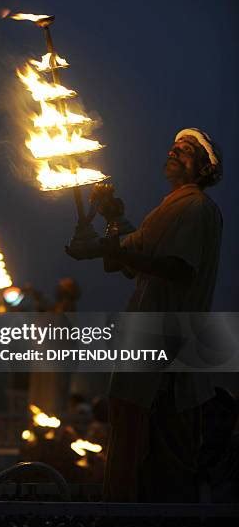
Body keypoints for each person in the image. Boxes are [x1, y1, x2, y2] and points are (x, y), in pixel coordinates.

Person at [66, 128, 223, 502]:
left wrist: (104, 247)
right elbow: (127, 261)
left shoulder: (196, 207)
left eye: (186, 151)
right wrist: (109, 217)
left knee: (154, 465)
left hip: (166, 356)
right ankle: (122, 526)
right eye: (173, 147)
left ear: (203, 170)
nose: (174, 151)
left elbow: (176, 268)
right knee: (129, 449)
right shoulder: (168, 208)